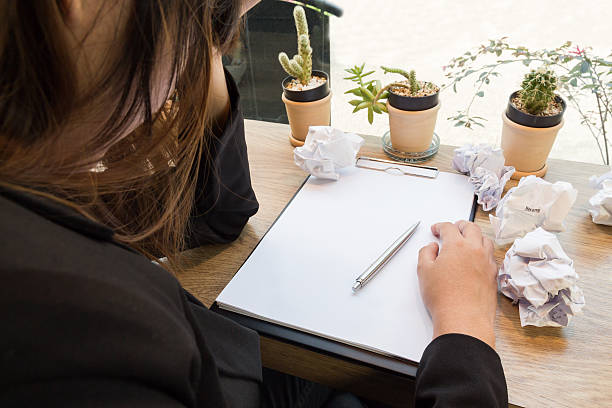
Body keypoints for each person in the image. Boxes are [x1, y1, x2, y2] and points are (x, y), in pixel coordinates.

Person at [0, 1, 507, 407]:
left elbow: (214, 219)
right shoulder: (75, 343)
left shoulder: (37, 178)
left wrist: (199, 47)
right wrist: (465, 328)